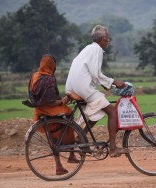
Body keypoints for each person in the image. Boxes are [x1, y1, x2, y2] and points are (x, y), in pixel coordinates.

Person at [65, 25, 129, 158]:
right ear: (102, 39)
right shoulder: (97, 49)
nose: (108, 41)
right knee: (112, 112)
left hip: (74, 86)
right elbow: (96, 73)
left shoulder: (88, 48)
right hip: (83, 88)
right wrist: (113, 82)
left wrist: (106, 84)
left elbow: (89, 73)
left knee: (99, 109)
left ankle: (81, 136)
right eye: (107, 38)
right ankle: (113, 148)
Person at [29, 54, 79, 175]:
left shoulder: (35, 76)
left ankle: (59, 166)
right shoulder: (48, 79)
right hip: (49, 108)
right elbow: (50, 101)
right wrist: (62, 101)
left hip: (39, 110)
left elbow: (37, 97)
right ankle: (71, 153)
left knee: (51, 134)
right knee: (70, 115)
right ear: (52, 66)